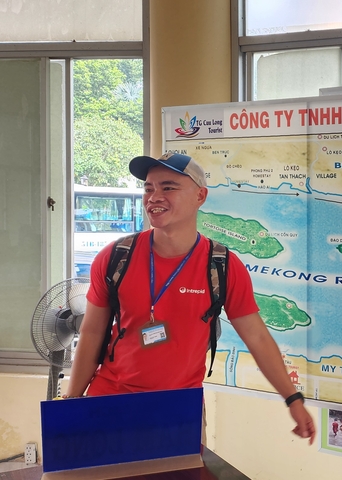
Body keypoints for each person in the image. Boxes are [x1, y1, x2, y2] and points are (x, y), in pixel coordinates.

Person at [65, 153, 315, 444]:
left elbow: (257, 337)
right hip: (110, 401)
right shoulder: (115, 257)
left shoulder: (221, 265)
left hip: (180, 410)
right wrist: (72, 401)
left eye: (168, 187)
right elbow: (92, 332)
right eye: (148, 188)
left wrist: (293, 399)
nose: (154, 197)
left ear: (200, 195)